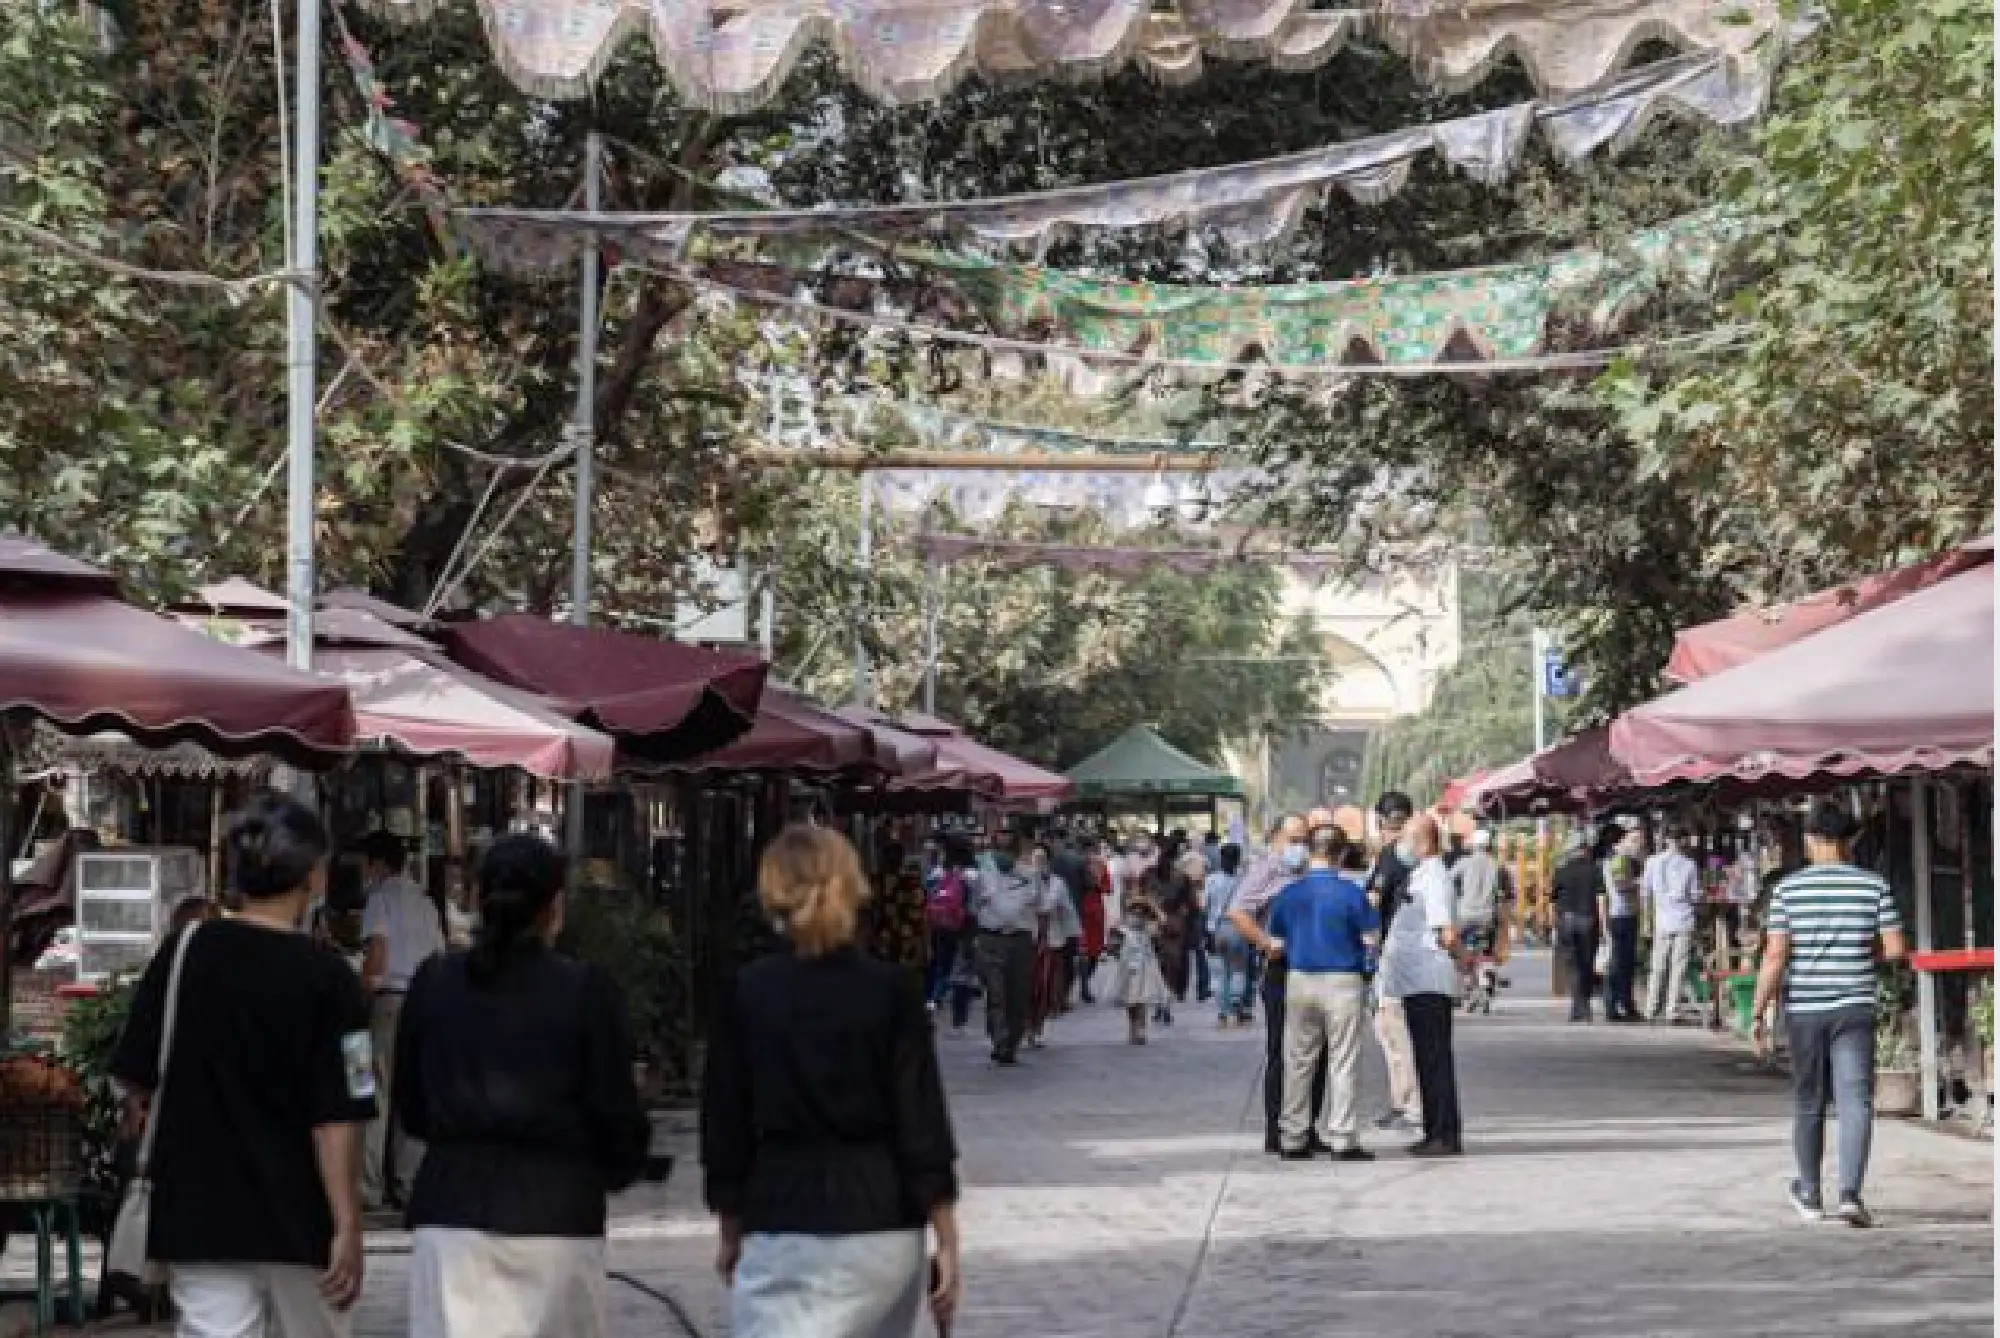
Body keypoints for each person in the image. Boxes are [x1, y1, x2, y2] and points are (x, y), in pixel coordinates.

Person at [110, 793, 373, 1338]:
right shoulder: (335, 981)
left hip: (200, 1213)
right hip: (302, 1218)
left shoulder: (184, 953)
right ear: (314, 877)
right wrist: (348, 1223)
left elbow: (135, 1077)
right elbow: (341, 1115)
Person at [701, 825, 961, 1336]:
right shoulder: (890, 991)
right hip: (881, 1216)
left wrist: (730, 1225)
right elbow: (920, 1121)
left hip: (783, 1210)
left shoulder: (749, 993)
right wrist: (946, 1238)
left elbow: (725, 1123)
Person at [394, 833, 652, 1338]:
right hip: (557, 1212)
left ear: (477, 898)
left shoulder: (434, 982)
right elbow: (615, 1109)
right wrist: (617, 1167)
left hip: (453, 1211)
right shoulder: (586, 991)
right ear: (554, 907)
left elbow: (413, 1106)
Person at [1751, 801, 1907, 1228]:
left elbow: (1775, 956)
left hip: (1805, 1010)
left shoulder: (1788, 890)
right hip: (1855, 1007)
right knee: (1856, 1101)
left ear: (1810, 839)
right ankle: (1851, 1195)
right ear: (1849, 839)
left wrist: (1758, 1011)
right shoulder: (1873, 886)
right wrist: (1860, 952)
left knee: (1809, 1101)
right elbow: (1895, 949)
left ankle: (1810, 1193)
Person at [1247, 826, 1378, 1161]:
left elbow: (1277, 944)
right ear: (1341, 854)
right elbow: (1370, 940)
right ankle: (1343, 1138)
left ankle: (1293, 1136)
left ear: (1309, 851)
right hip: (1343, 981)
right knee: (1343, 1060)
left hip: (1300, 979)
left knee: (1298, 1060)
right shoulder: (1352, 893)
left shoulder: (1289, 894)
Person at [357, 830, 446, 1212]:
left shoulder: (380, 899)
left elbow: (377, 953)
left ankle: (368, 1187)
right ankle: (408, 1184)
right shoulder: (426, 903)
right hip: (424, 1005)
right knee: (412, 1091)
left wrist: (362, 989)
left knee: (374, 1091)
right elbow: (439, 957)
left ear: (377, 864)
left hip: (389, 1002)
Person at [1228, 814, 1323, 1154]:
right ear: (1276, 839)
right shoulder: (1266, 870)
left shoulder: (1312, 871)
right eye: (1294, 840)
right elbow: (1238, 912)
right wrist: (1265, 942)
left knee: (1317, 1053)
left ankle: (1306, 1126)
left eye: (1305, 840)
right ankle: (1277, 1129)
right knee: (1282, 1052)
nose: (1300, 847)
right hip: (1282, 969)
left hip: (1317, 967)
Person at [1380, 815, 1463, 1157]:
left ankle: (1443, 1134)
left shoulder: (1434, 877)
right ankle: (1434, 1130)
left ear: (1424, 843)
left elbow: (1448, 932)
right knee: (1426, 1060)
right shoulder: (1421, 875)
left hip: (1428, 980)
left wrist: (1454, 958)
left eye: (1406, 839)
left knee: (1434, 1059)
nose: (1401, 846)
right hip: (1416, 982)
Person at [1366, 793, 1422, 1134]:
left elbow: (1372, 903)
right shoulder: (1422, 854)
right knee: (1400, 1032)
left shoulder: (1391, 856)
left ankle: (1407, 1104)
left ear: (1380, 821)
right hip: (1418, 955)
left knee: (1393, 1032)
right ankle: (1404, 1101)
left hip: (1393, 955)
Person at [968, 832, 1041, 1065]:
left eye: (1008, 849)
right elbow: (973, 906)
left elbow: (1040, 904)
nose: (1004, 855)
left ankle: (1012, 1042)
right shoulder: (982, 875)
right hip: (991, 938)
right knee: (995, 993)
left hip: (1020, 941)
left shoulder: (1031, 875)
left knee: (1017, 995)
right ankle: (1000, 1041)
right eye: (1000, 849)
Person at [1644, 827, 1701, 1023]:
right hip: (1683, 919)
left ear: (1666, 840)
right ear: (1683, 841)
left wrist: (1647, 920)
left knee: (1658, 965)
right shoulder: (1690, 865)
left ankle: (1651, 1008)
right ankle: (1671, 1010)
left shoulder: (1652, 862)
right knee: (1678, 967)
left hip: (1662, 920)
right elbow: (1694, 895)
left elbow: (1646, 892)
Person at [1025, 843, 1080, 1048]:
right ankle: (1026, 1026)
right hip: (1029, 939)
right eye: (1035, 858)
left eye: (1042, 858)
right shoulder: (1023, 881)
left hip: (1051, 940)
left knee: (1046, 986)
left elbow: (1064, 909)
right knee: (1027, 986)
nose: (1038, 862)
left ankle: (1038, 1028)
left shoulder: (1057, 883)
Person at [1106, 884, 1169, 1044]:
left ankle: (1141, 1029)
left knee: (1142, 999)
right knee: (1131, 1000)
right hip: (1128, 966)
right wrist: (1115, 944)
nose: (1137, 913)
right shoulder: (1122, 928)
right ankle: (1132, 1028)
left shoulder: (1147, 928)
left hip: (1145, 967)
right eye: (1134, 910)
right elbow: (1112, 943)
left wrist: (1151, 906)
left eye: (1141, 910)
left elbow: (1162, 921)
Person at [1550, 832, 1602, 1023]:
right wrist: (1603, 925)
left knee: (1572, 965)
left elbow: (1553, 900)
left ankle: (1576, 1008)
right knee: (1587, 964)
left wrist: (1554, 924)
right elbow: (1601, 899)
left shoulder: (1560, 871)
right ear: (1585, 849)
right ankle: (1584, 1007)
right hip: (1588, 920)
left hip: (1567, 921)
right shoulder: (1595, 870)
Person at [867, 841, 930, 997]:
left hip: (887, 944)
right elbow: (923, 917)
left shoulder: (875, 882)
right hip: (901, 944)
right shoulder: (911, 882)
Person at [1600, 825, 1645, 1022]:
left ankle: (1625, 1005)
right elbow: (1621, 886)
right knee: (1619, 963)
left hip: (1624, 915)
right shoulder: (1618, 860)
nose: (1638, 845)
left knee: (1625, 964)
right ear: (1623, 841)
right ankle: (1613, 1006)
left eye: (1640, 841)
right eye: (1635, 841)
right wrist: (1641, 882)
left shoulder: (1623, 859)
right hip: (1621, 916)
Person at [1204, 844, 1251, 1026]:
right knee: (1238, 968)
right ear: (1237, 860)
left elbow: (1205, 906)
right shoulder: (1244, 880)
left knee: (1219, 971)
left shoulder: (1211, 880)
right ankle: (1235, 1004)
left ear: (1221, 859)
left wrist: (1206, 932)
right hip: (1239, 928)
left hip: (1217, 929)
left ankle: (1223, 1011)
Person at [924, 840, 972, 1013]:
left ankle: (932, 995)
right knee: (946, 963)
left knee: (936, 961)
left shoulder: (934, 876)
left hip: (934, 924)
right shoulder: (963, 879)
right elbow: (967, 904)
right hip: (951, 926)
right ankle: (937, 996)